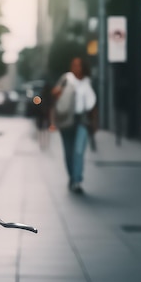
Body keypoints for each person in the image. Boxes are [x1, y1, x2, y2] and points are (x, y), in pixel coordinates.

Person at [52, 56, 96, 194]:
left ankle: (77, 181)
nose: (76, 68)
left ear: (83, 67)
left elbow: (93, 102)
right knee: (68, 152)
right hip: (66, 120)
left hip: (82, 120)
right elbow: (55, 93)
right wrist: (61, 94)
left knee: (78, 152)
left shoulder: (88, 82)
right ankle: (71, 176)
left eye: (79, 65)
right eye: (74, 65)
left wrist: (95, 121)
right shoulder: (66, 78)